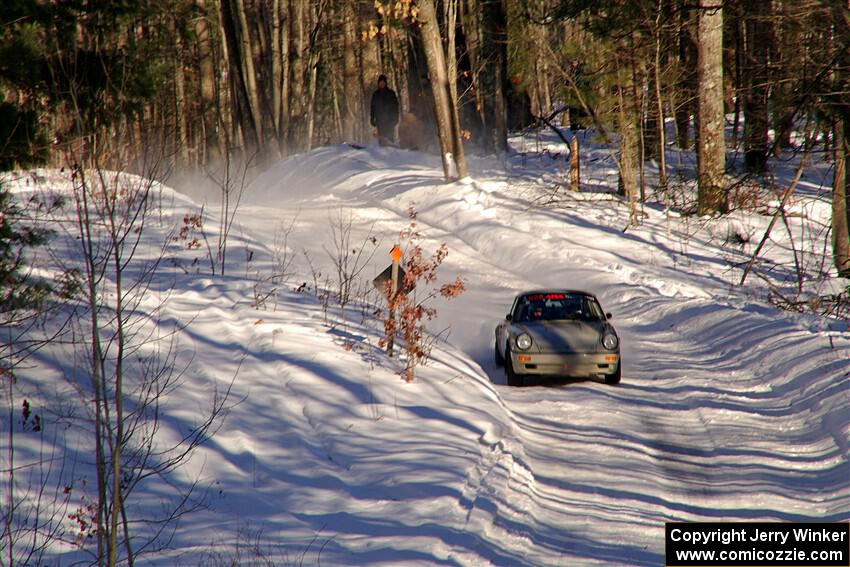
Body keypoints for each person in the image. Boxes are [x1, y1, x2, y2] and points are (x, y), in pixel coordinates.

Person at [370, 74, 399, 146]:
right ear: (378, 83)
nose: (382, 84)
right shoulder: (375, 94)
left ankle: (391, 150)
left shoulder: (391, 93)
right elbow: (372, 107)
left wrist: (396, 118)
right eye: (380, 82)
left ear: (385, 83)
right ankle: (381, 151)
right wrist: (372, 118)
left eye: (383, 82)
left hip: (390, 121)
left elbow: (395, 107)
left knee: (389, 140)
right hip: (380, 121)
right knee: (381, 141)